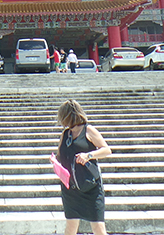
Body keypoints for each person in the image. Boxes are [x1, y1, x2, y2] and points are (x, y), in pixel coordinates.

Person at [56, 99, 112, 235]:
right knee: (70, 227)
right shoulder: (65, 134)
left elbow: (106, 150)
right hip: (71, 188)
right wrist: (55, 161)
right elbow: (60, 154)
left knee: (98, 228)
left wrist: (89, 155)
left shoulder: (88, 130)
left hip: (90, 186)